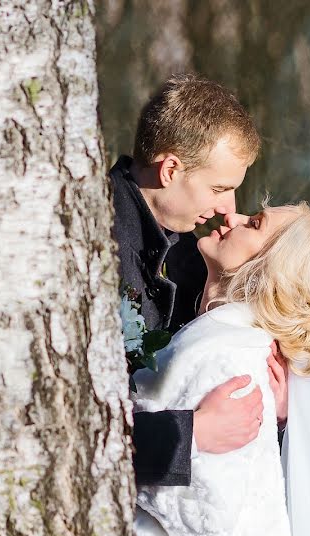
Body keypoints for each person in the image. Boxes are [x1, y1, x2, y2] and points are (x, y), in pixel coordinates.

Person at [132, 203, 310, 536]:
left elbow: (206, 518)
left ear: (268, 269)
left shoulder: (229, 359)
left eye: (254, 225)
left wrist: (124, 424)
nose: (234, 219)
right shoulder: (227, 341)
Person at [111, 74, 288, 486]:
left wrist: (270, 414)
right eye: (219, 187)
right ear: (171, 169)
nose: (229, 210)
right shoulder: (90, 241)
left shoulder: (194, 258)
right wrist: (189, 435)